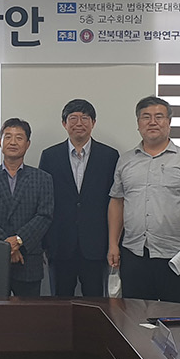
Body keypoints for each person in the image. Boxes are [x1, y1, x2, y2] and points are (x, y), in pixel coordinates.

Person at [107, 96, 180, 303]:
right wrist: (113, 244)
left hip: (175, 255)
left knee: (176, 315)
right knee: (134, 315)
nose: (152, 122)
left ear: (169, 122)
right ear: (138, 124)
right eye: (146, 117)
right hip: (134, 252)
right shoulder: (125, 161)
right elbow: (117, 202)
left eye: (159, 117)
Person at [38, 99, 119, 297]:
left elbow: (115, 201)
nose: (79, 123)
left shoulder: (109, 156)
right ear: (64, 123)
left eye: (85, 118)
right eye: (73, 118)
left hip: (96, 244)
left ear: (93, 123)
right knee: (60, 302)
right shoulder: (50, 156)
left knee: (95, 302)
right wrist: (45, 243)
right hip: (60, 243)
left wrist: (113, 243)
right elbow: (43, 200)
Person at [0, 118, 55, 297]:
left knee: (28, 312)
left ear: (28, 144)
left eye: (19, 137)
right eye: (8, 136)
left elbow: (44, 216)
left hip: (28, 259)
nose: (13, 142)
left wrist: (19, 241)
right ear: (0, 142)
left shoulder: (42, 178)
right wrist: (7, 247)